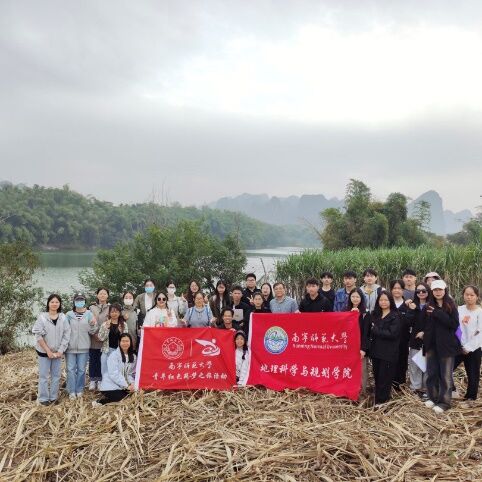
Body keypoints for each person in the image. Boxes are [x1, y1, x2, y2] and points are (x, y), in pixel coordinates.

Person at [423, 280, 461, 414]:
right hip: (431, 345)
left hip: (446, 346)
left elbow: (454, 324)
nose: (438, 292)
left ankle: (444, 402)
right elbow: (424, 324)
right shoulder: (427, 306)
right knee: (431, 373)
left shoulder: (451, 306)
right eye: (435, 290)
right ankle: (432, 398)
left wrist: (437, 313)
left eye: (440, 289)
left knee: (445, 376)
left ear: (445, 290)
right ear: (432, 292)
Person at [32, 294, 71, 406]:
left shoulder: (63, 317)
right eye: (52, 302)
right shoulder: (42, 317)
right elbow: (38, 335)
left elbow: (67, 334)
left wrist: (61, 350)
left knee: (56, 376)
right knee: (44, 376)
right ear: (48, 303)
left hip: (58, 352)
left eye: (57, 302)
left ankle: (53, 397)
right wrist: (48, 351)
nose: (54, 304)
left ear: (60, 304)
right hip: (44, 351)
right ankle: (43, 398)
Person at [369, 291, 400, 405]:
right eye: (381, 300)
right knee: (377, 377)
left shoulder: (395, 316)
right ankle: (378, 400)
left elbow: (392, 334)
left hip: (388, 353)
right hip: (376, 352)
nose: (383, 302)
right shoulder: (375, 315)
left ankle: (382, 402)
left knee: (385, 378)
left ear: (390, 301)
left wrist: (375, 330)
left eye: (386, 300)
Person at [65, 294, 98, 399]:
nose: (79, 302)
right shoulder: (69, 314)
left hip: (84, 346)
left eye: (81, 300)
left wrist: (92, 324)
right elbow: (64, 330)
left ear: (85, 301)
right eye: (77, 300)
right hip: (70, 347)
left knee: (81, 370)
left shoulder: (89, 314)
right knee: (70, 369)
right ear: (74, 301)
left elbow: (93, 331)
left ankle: (79, 389)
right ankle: (71, 390)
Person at [454, 286, 482, 407]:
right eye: (467, 294)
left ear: (477, 297)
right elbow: (456, 327)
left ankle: (471, 397)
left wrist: (468, 347)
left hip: (474, 348)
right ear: (463, 295)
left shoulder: (479, 312)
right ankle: (451, 390)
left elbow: (480, 332)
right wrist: (460, 344)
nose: (469, 297)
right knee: (447, 368)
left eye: (472, 295)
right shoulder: (459, 309)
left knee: (473, 373)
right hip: (459, 346)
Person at [93, 333, 136, 406]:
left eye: (127, 341)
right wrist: (126, 386)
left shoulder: (133, 357)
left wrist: (132, 384)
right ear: (119, 342)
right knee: (122, 398)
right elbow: (114, 374)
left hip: (122, 385)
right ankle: (100, 402)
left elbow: (129, 374)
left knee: (132, 395)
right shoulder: (114, 355)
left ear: (130, 342)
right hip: (110, 385)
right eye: (123, 341)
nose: (125, 343)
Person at [405, 282, 430, 397]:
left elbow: (435, 323)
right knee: (415, 365)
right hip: (415, 341)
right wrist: (411, 310)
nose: (421, 293)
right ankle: (415, 387)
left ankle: (426, 388)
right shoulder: (412, 305)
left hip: (429, 340)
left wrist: (425, 332)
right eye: (418, 291)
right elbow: (408, 322)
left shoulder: (432, 306)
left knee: (427, 365)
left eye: (424, 291)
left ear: (428, 292)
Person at [345, 288, 371, 394]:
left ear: (361, 298)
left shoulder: (366, 313)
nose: (355, 299)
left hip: (360, 347)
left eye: (357, 297)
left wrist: (363, 348)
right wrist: (350, 315)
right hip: (348, 346)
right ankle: (349, 391)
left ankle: (362, 392)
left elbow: (367, 333)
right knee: (349, 369)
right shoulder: (345, 311)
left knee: (362, 370)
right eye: (353, 296)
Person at [97, 303, 129, 376]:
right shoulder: (105, 324)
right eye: (112, 312)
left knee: (117, 372)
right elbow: (101, 338)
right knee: (105, 372)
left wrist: (121, 332)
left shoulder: (124, 324)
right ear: (109, 313)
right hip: (106, 351)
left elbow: (126, 340)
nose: (114, 314)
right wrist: (107, 328)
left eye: (116, 312)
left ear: (119, 313)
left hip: (119, 351)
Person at [88, 288, 110, 390]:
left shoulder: (110, 308)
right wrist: (94, 334)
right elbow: (88, 322)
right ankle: (93, 380)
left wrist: (103, 335)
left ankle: (101, 379)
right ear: (97, 295)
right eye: (100, 293)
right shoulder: (91, 308)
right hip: (93, 337)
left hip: (105, 338)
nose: (102, 295)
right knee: (93, 359)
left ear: (107, 296)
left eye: (104, 294)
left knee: (103, 360)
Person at [390, 279, 410, 388]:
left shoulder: (408, 305)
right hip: (389, 339)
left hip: (403, 339)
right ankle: (390, 384)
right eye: (394, 288)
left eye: (399, 288)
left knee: (402, 361)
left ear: (403, 290)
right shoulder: (387, 303)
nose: (397, 290)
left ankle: (400, 385)